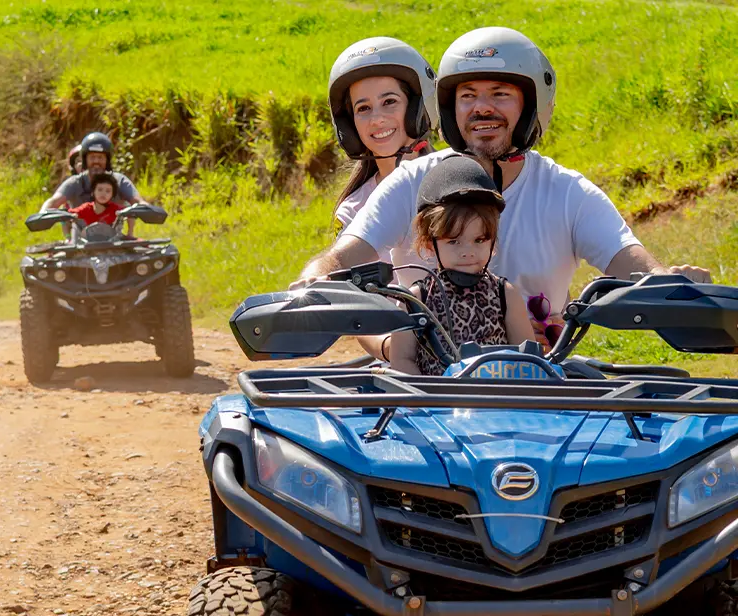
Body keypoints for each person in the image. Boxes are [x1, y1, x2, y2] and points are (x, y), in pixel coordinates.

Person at [297, 27, 711, 357]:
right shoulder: (409, 182)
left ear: (532, 105)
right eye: (468, 95)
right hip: (422, 387)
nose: (482, 108)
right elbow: (347, 255)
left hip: (536, 384)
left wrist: (665, 280)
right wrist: (313, 279)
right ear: (449, 109)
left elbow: (629, 261)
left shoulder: (569, 192)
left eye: (500, 94)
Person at [389, 154, 534, 373]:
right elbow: (401, 360)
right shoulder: (417, 299)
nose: (468, 252)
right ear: (430, 244)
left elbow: (527, 357)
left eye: (479, 240)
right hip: (437, 404)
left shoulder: (505, 294)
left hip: (497, 401)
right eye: (454, 241)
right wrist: (429, 399)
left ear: (492, 242)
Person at [329, 37, 437, 281]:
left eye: (389, 102)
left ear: (418, 108)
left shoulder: (459, 179)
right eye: (363, 108)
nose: (376, 119)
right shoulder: (353, 210)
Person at [41, 132, 144, 237]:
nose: (96, 161)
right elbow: (54, 201)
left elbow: (138, 201)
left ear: (107, 160)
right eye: (92, 157)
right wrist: (43, 214)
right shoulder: (74, 182)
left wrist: (148, 210)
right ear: (85, 160)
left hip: (114, 242)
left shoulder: (119, 180)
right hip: (79, 244)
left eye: (100, 157)